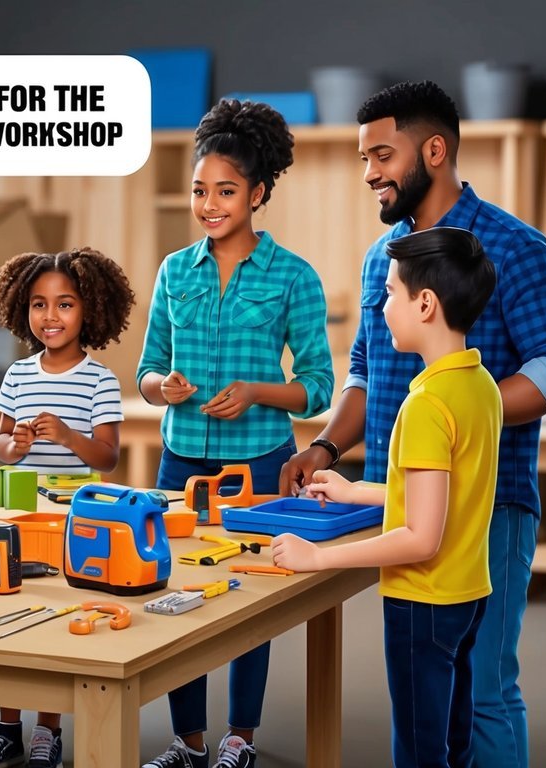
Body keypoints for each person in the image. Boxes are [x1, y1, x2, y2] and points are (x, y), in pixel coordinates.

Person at [278, 81, 546, 767]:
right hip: (400, 496)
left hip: (488, 505)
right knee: (425, 696)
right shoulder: (379, 260)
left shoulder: (514, 247)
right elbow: (363, 367)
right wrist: (329, 445)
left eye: (380, 155)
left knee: (481, 691)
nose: (369, 174)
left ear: (434, 149)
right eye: (363, 158)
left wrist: (459, 416)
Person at [137, 100, 334, 768]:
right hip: (179, 465)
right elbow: (143, 370)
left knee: (249, 599)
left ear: (256, 193)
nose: (209, 204)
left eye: (224, 191)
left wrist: (255, 392)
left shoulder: (293, 277)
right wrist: (159, 387)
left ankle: (237, 740)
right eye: (199, 190)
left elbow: (317, 386)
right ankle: (186, 742)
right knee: (178, 595)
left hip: (259, 465)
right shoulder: (171, 272)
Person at [275, 226, 499, 767]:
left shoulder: (424, 405)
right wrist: (359, 491)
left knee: (420, 752)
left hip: (422, 602)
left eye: (391, 293)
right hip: (467, 594)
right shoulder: (479, 384)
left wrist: (318, 557)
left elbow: (421, 537)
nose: (381, 305)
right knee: (454, 740)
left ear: (425, 304)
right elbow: (443, 495)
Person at [0, 248, 134, 768]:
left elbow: (107, 458)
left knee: (55, 616)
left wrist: (69, 436)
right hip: (18, 511)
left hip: (69, 520)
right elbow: (1, 445)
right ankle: (7, 727)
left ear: (90, 311)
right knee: (10, 608)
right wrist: (15, 446)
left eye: (64, 304)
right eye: (38, 304)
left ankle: (48, 731)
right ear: (22, 309)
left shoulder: (99, 379)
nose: (50, 317)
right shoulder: (17, 374)